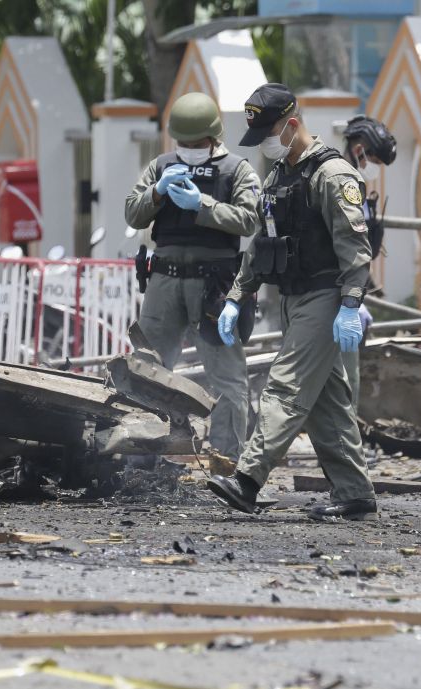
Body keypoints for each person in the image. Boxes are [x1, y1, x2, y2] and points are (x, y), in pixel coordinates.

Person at [206, 83, 378, 521]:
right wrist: (236, 296)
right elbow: (261, 245)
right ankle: (355, 493)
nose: (264, 143)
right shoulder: (278, 176)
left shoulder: (333, 175)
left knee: (285, 388)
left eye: (270, 132)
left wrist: (349, 303)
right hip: (293, 299)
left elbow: (356, 248)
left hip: (325, 299)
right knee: (326, 401)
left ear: (293, 125)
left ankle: (247, 480)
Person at [124, 91, 261, 462]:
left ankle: (227, 462)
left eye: (195, 143)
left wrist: (202, 205)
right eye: (182, 143)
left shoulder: (237, 170)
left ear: (212, 137)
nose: (188, 149)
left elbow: (250, 220)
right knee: (147, 368)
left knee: (227, 378)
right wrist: (157, 192)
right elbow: (132, 214)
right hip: (164, 281)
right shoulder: (161, 166)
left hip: (213, 286)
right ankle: (141, 455)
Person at [339, 114, 397, 404]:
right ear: (359, 149)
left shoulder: (357, 186)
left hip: (349, 294)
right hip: (332, 295)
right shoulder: (337, 182)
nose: (374, 167)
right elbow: (341, 246)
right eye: (373, 158)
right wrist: (348, 303)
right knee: (342, 386)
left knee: (345, 385)